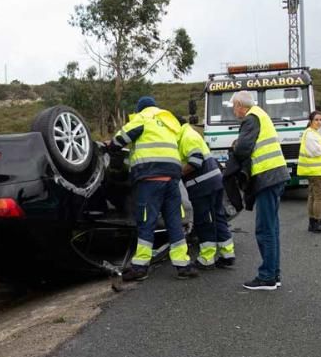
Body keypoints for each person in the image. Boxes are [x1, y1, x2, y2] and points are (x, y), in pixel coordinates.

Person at [109, 96, 198, 281]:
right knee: (174, 221)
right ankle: (184, 266)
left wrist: (111, 147)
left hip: (150, 178)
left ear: (140, 109)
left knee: (146, 222)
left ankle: (140, 268)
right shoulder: (168, 122)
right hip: (172, 178)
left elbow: (121, 139)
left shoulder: (142, 118)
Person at [222, 90, 290, 291]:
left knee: (265, 229)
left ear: (240, 106)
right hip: (276, 175)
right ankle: (273, 274)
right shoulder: (261, 115)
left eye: (234, 107)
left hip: (267, 176)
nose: (234, 111)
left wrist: (234, 147)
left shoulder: (251, 119)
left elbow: (243, 148)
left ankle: (267, 276)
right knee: (272, 227)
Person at [177, 118, 235, 269]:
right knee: (218, 217)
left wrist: (177, 173)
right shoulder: (191, 134)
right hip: (213, 182)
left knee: (205, 221)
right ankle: (227, 254)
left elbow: (196, 161)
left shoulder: (187, 137)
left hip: (203, 186)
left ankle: (207, 259)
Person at [297, 110, 321, 234]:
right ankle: (318, 223)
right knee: (319, 198)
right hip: (316, 171)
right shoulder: (311, 134)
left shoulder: (311, 133)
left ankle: (312, 223)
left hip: (313, 170)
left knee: (312, 196)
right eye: (316, 120)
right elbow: (317, 151)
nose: (319, 122)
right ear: (311, 121)